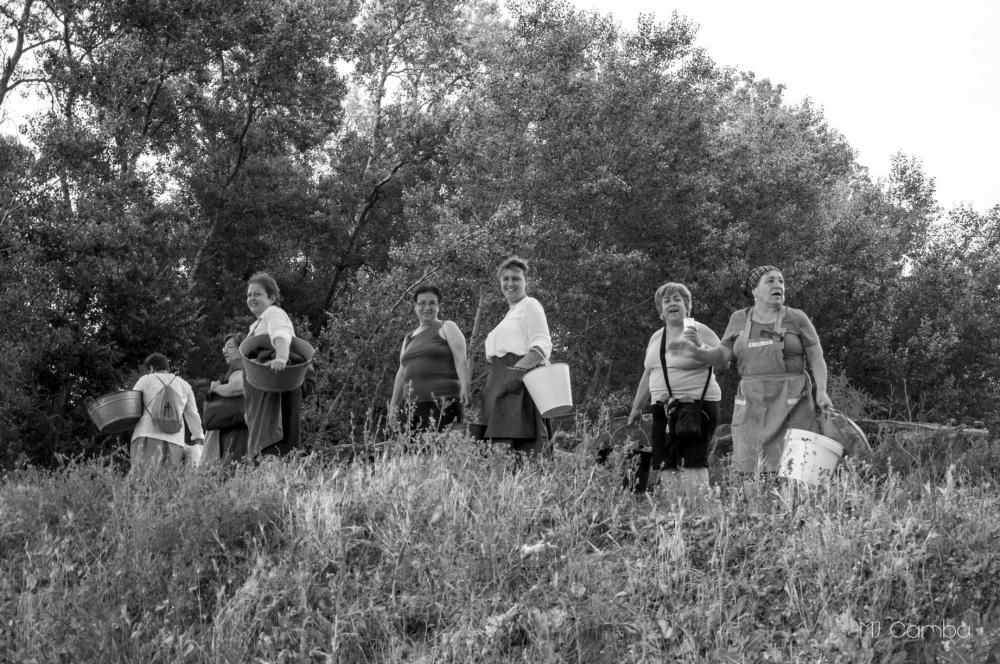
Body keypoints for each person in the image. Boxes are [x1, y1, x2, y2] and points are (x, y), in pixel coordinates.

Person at [670, 265, 833, 474]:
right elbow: (721, 356)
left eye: (781, 281)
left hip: (793, 401)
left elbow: (816, 356)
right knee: (750, 466)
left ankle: (794, 506)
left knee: (795, 469)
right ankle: (755, 505)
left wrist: (821, 391)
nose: (778, 285)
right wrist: (696, 351)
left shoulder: (796, 318)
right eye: (771, 281)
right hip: (752, 404)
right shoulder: (739, 319)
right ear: (755, 291)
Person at [628, 282, 726, 493]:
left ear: (687, 306)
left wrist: (700, 345)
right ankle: (676, 516)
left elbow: (723, 362)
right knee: (665, 464)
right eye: (667, 301)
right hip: (663, 410)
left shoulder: (699, 330)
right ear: (660, 311)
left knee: (693, 463)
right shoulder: (656, 337)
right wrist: (637, 408)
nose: (672, 304)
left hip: (695, 408)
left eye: (677, 299)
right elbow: (649, 372)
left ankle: (701, 514)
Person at [482, 256, 553, 454]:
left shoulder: (530, 305)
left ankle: (530, 485)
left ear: (526, 282)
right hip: (498, 382)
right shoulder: (511, 314)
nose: (510, 283)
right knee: (499, 449)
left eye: (516, 278)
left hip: (518, 384)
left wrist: (515, 373)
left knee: (524, 449)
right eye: (505, 279)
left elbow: (542, 345)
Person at [389, 284, 471, 433]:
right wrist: (393, 407)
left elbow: (461, 359)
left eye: (432, 303)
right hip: (412, 407)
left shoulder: (447, 327)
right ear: (415, 306)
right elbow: (401, 374)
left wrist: (465, 385)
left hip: (443, 403)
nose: (427, 307)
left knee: (439, 452)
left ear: (438, 306)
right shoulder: (408, 338)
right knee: (413, 454)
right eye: (422, 303)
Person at [243, 272, 305, 458]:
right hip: (261, 394)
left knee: (276, 445)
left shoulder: (274, 313)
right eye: (249, 295)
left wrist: (281, 358)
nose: (252, 298)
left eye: (257, 294)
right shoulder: (255, 325)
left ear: (271, 298)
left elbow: (281, 335)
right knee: (262, 448)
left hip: (276, 388)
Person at [130, 353, 205, 473]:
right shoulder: (184, 385)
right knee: (167, 482)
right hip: (175, 440)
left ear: (151, 368)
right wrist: (198, 437)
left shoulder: (145, 380)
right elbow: (193, 414)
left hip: (146, 435)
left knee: (143, 478)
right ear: (167, 368)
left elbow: (131, 406)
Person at [203, 332, 249, 464]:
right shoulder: (243, 368)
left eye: (229, 347)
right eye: (224, 348)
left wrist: (216, 388)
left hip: (234, 430)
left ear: (241, 348)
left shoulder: (239, 367)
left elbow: (239, 386)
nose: (225, 351)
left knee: (231, 468)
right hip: (234, 425)